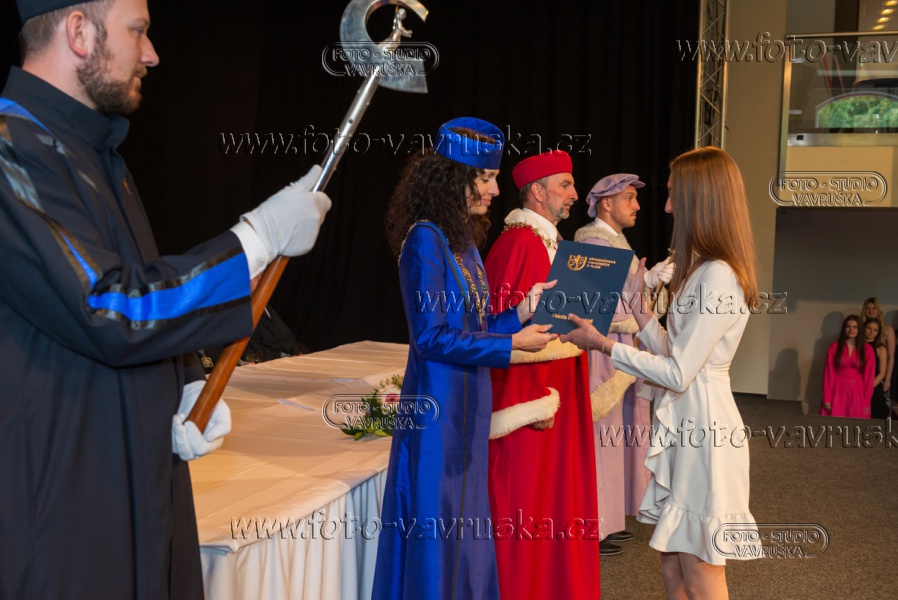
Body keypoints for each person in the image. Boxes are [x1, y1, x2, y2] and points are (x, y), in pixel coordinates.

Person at [1, 1, 331, 598]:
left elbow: (139, 287)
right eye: (139, 31)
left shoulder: (97, 155)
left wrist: (181, 384)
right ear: (78, 31)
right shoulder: (11, 148)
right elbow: (110, 307)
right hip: (58, 504)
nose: (151, 55)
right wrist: (253, 241)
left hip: (126, 483)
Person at [561, 147, 761, 599]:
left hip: (705, 432)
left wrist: (604, 345)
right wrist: (641, 311)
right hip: (689, 421)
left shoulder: (718, 275)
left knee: (701, 572)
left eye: (674, 195)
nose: (667, 207)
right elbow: (677, 350)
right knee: (673, 569)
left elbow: (679, 371)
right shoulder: (703, 269)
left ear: (699, 199)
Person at [372, 117, 555, 600]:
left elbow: (473, 325)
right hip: (436, 414)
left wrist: (520, 313)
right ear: (455, 178)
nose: (495, 189)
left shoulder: (463, 241)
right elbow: (430, 337)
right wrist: (511, 347)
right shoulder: (424, 240)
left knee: (465, 534)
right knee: (438, 535)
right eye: (486, 178)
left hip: (467, 410)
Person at [485, 150, 601, 599]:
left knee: (556, 503)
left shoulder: (550, 242)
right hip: (532, 406)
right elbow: (502, 331)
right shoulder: (519, 243)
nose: (574, 194)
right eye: (565, 185)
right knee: (530, 505)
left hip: (557, 394)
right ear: (537, 191)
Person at [574, 173, 655, 556]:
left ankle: (611, 519)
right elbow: (594, 302)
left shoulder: (614, 241)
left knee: (620, 431)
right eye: (628, 198)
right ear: (606, 203)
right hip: (604, 348)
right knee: (603, 431)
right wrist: (643, 285)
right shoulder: (593, 241)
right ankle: (595, 524)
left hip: (621, 345)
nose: (636, 206)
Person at [198, 275, 309, 371]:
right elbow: (250, 351)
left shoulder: (266, 308)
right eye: (255, 276)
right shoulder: (236, 310)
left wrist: (298, 352)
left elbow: (286, 338)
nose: (260, 279)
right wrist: (285, 357)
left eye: (262, 275)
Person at [820, 315, 876, 418]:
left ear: (860, 329)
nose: (851, 330)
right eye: (848, 326)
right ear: (844, 329)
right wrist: (827, 397)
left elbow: (869, 379)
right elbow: (828, 374)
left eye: (855, 327)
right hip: (837, 390)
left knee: (855, 425)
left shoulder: (868, 350)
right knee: (834, 424)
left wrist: (866, 401)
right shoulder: (834, 347)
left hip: (857, 393)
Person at [862, 297, 894, 402]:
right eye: (868, 308)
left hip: (880, 373)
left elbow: (891, 356)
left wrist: (887, 379)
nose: (871, 311)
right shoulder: (860, 328)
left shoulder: (887, 329)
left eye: (874, 308)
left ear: (878, 310)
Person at [865, 318, 889, 419]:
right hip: (856, 384)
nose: (871, 332)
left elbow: (882, 373)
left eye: (875, 330)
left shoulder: (881, 348)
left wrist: (869, 387)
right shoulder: (856, 345)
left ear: (878, 332)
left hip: (874, 386)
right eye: (869, 328)